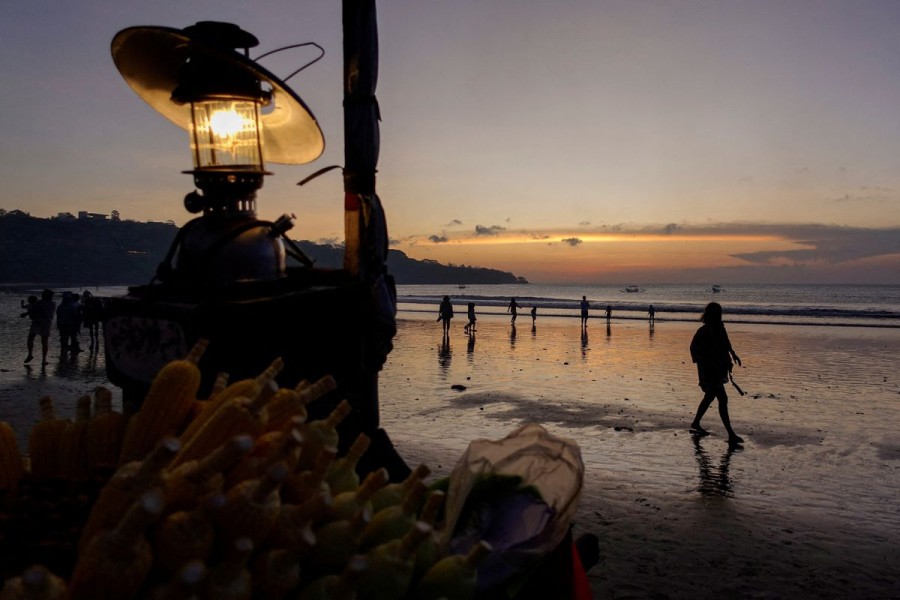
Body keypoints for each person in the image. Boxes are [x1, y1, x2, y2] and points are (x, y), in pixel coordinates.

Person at [689, 301, 744, 445]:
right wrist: (704, 362)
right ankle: (731, 434)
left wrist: (733, 354)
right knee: (722, 399)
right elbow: (694, 350)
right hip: (709, 371)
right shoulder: (704, 331)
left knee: (710, 397)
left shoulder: (720, 328)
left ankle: (695, 423)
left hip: (718, 369)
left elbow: (726, 343)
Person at [26, 289, 55, 365]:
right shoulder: (52, 303)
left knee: (31, 338)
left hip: (37, 322)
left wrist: (26, 314)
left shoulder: (40, 303)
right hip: (46, 323)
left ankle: (30, 354)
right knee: (44, 342)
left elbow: (34, 311)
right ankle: (43, 360)